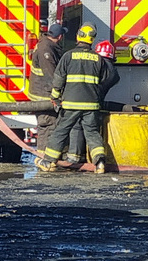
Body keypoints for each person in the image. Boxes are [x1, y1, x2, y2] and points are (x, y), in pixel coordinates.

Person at [37, 24, 116, 174]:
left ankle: (47, 161)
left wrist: (55, 97)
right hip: (91, 105)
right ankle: (100, 163)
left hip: (71, 104)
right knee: (92, 133)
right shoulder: (98, 59)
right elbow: (105, 78)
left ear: (78, 37)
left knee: (61, 131)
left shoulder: (68, 56)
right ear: (92, 40)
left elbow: (58, 79)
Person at [29, 23, 80, 164]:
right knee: (48, 125)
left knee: (53, 124)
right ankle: (43, 159)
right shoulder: (46, 50)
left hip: (43, 92)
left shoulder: (47, 46)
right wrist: (57, 96)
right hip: (43, 95)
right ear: (60, 36)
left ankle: (50, 157)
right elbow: (51, 76)